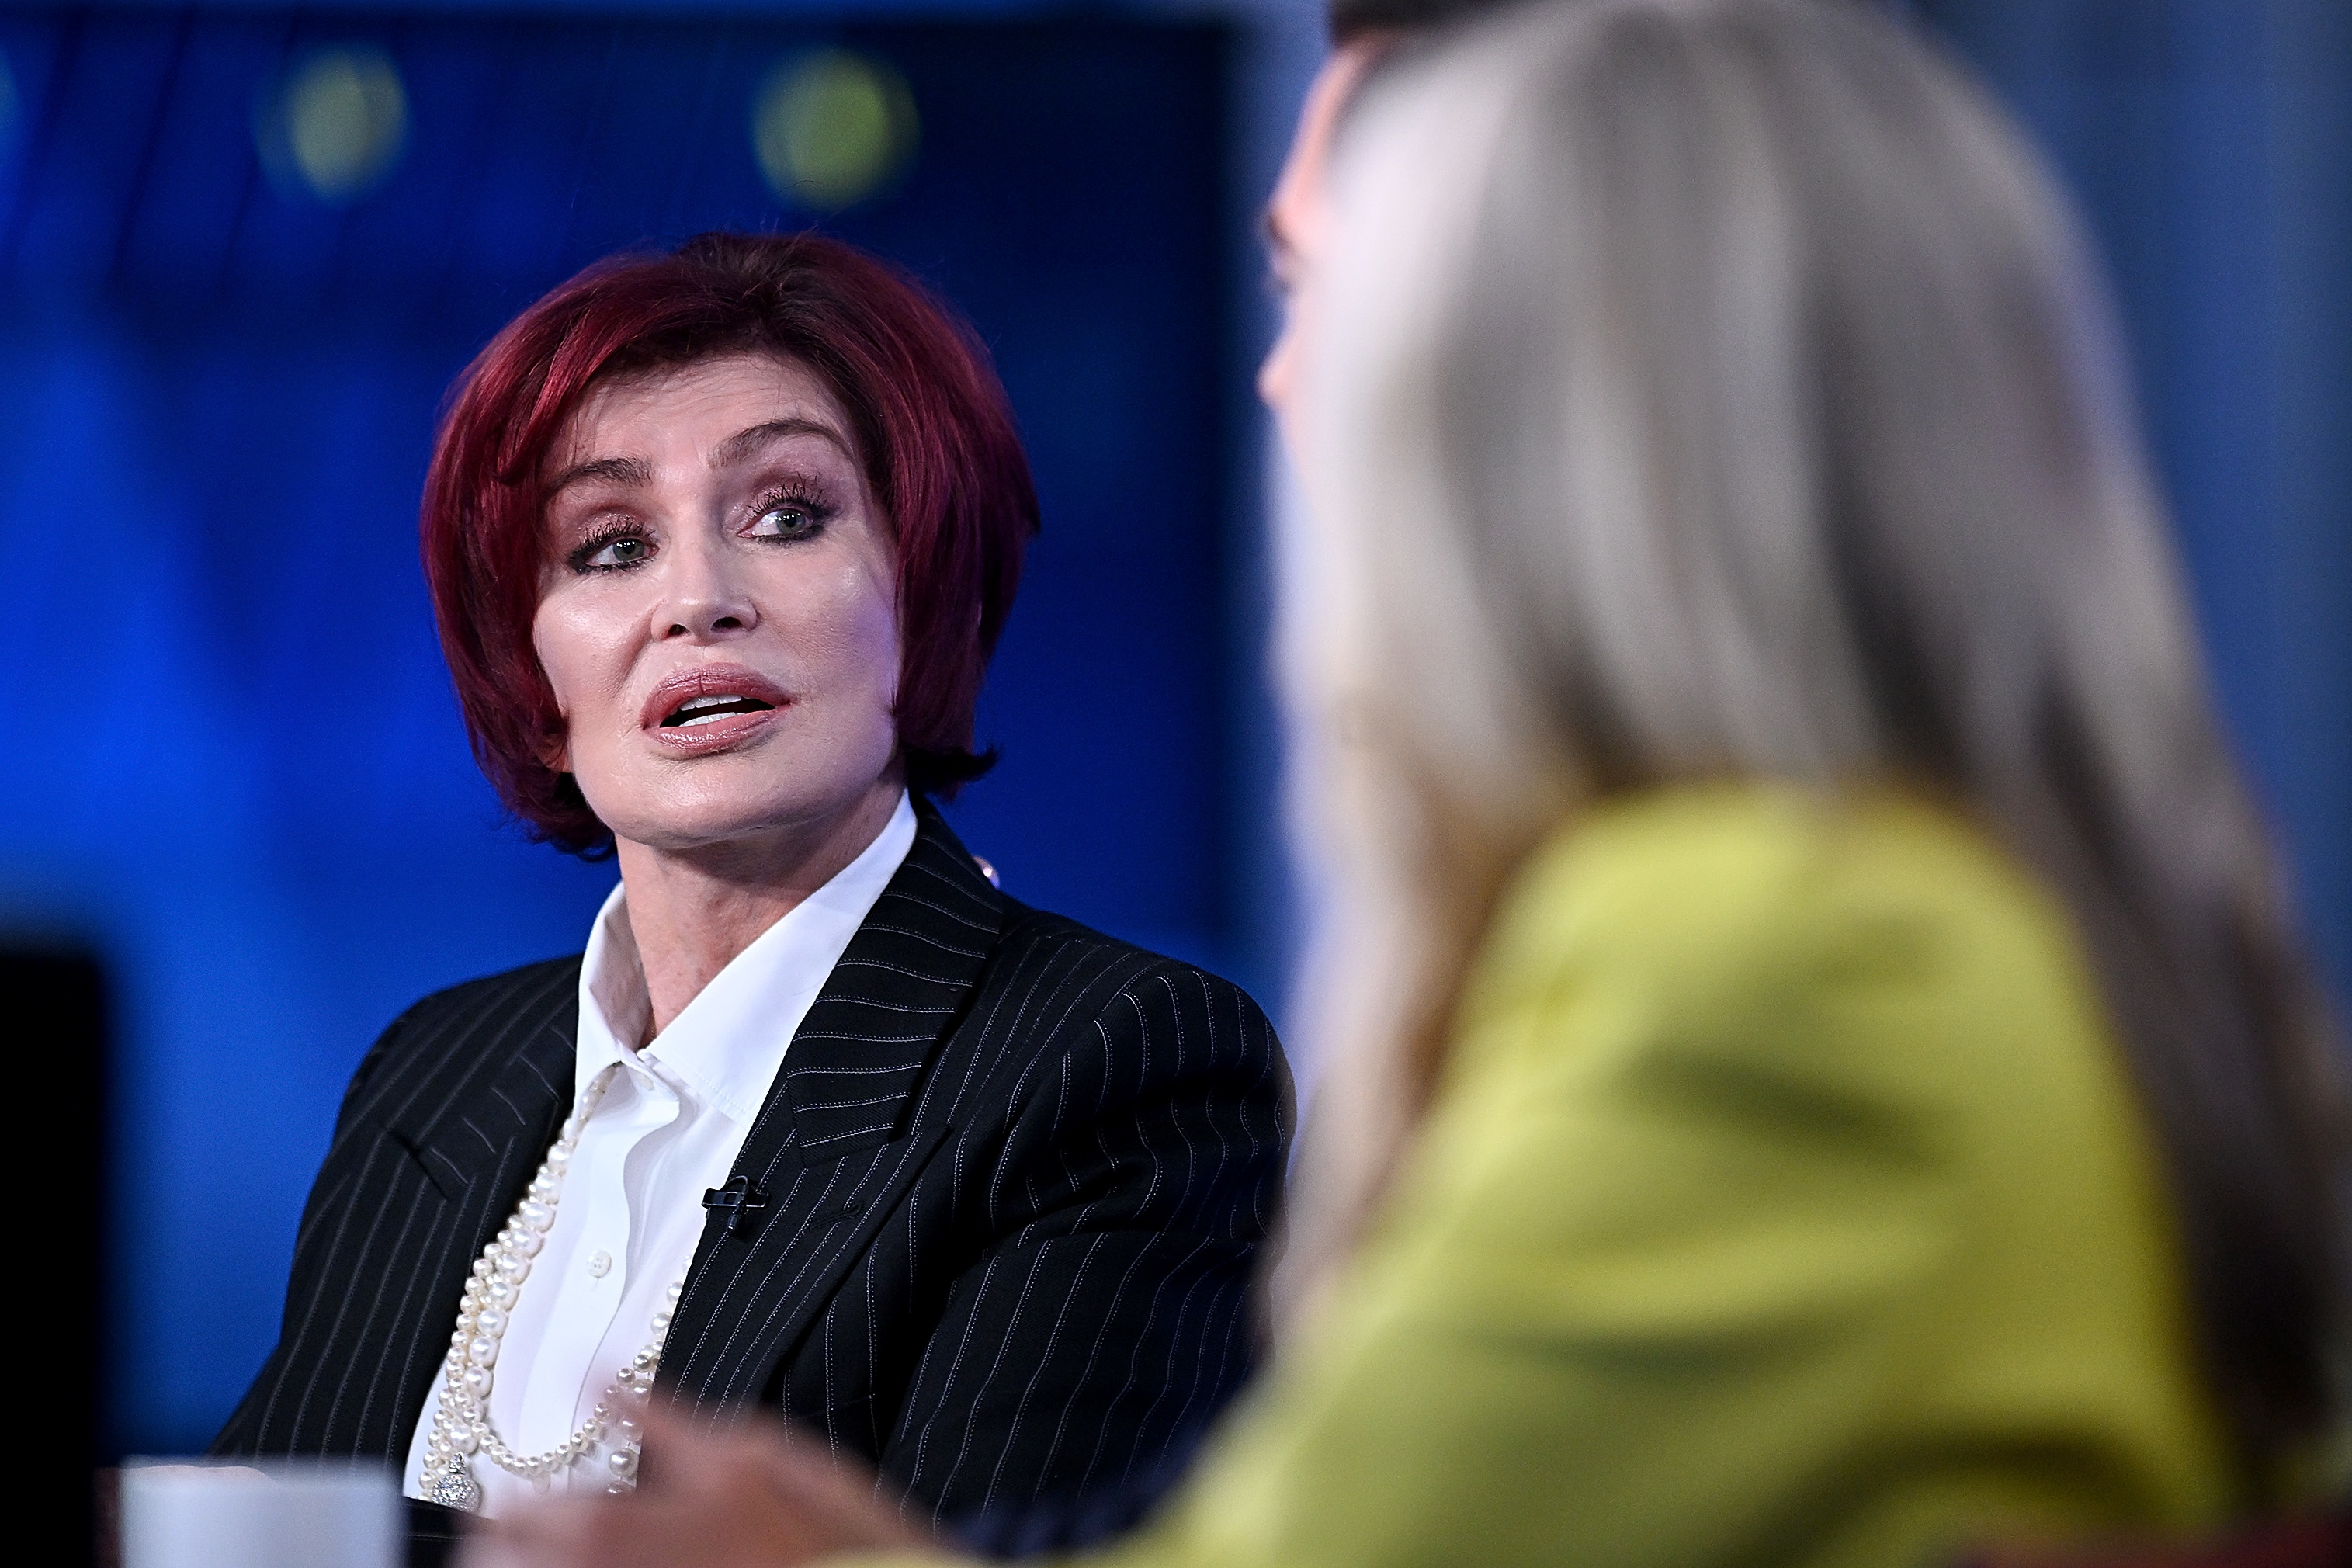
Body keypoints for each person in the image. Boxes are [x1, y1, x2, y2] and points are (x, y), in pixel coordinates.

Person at [470, 3, 2350, 1566]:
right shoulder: (1932, 923)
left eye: (1334, 303)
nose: (1289, 390)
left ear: (1558, 410)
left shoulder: (1777, 957)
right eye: (603, 549)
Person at [210, 231, 1292, 1552]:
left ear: (924, 592)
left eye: (787, 516)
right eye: (609, 546)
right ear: (536, 687)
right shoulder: (432, 1072)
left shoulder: (1113, 1065)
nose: (698, 601)